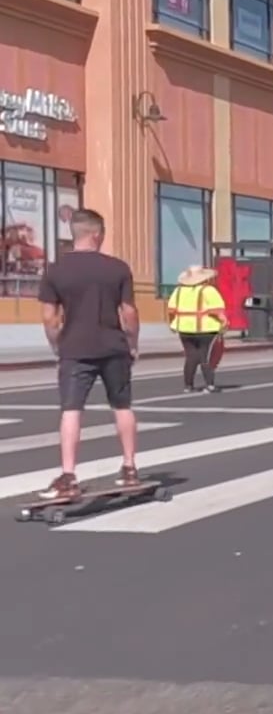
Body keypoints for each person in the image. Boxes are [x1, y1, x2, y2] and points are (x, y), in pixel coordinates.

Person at [36, 208, 141, 499]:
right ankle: (129, 467)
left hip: (74, 349)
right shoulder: (118, 268)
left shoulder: (56, 270)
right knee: (122, 406)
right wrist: (132, 342)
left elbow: (49, 317)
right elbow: (129, 312)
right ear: (97, 234)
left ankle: (69, 475)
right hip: (113, 346)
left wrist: (57, 343)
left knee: (71, 411)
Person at [165, 265, 228, 393]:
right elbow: (217, 310)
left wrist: (172, 324)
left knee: (191, 356)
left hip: (184, 329)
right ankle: (209, 385)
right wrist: (224, 322)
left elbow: (171, 311)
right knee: (206, 356)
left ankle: (188, 386)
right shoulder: (208, 290)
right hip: (206, 328)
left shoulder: (178, 291)